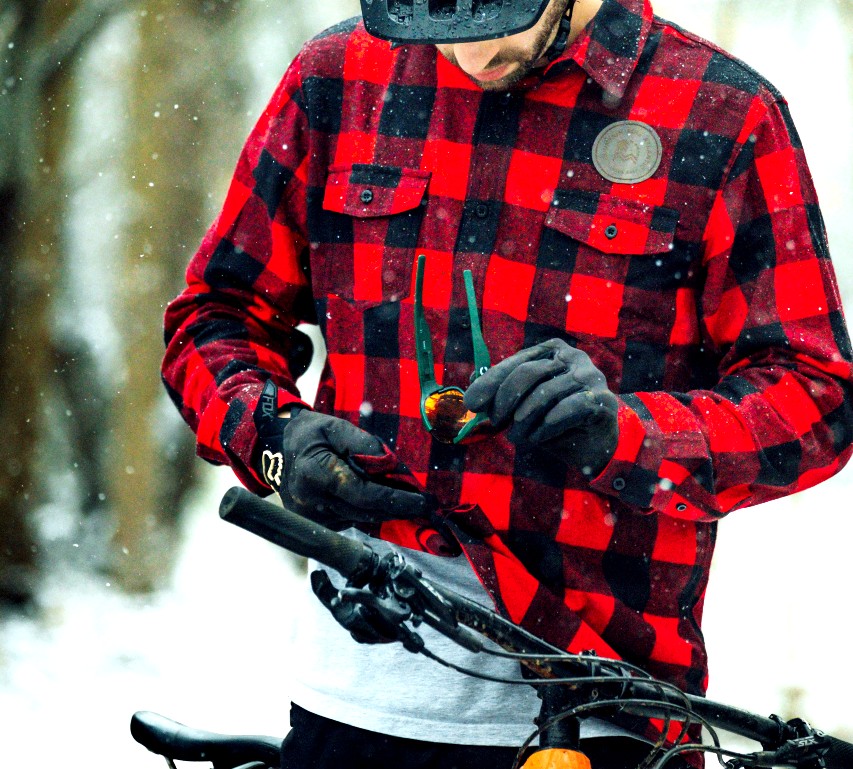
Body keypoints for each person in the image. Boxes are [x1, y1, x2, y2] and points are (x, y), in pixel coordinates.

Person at [161, 0, 853, 766]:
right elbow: (215, 315)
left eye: (494, 23)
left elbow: (812, 397)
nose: (466, 58)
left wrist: (626, 434)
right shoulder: (336, 79)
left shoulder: (722, 113)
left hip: (601, 706)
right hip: (350, 703)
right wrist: (276, 438)